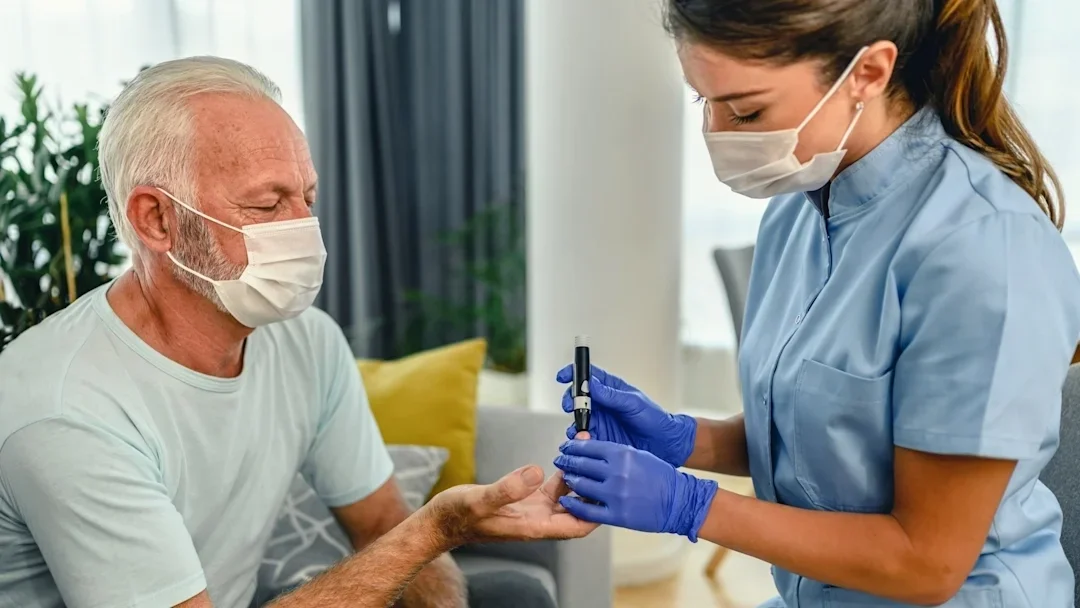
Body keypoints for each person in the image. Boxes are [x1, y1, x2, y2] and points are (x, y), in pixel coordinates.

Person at [0, 56, 594, 608]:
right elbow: (410, 537)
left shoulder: (305, 341)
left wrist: (431, 562)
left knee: (516, 596)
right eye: (266, 205)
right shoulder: (65, 411)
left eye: (307, 197)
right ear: (157, 219)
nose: (304, 229)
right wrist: (436, 529)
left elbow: (382, 520)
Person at [552, 0, 1080, 607]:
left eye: (747, 110)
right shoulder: (797, 209)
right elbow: (831, 442)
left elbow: (927, 563)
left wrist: (689, 505)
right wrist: (681, 438)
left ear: (868, 73)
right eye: (704, 101)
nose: (717, 136)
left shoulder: (983, 250)